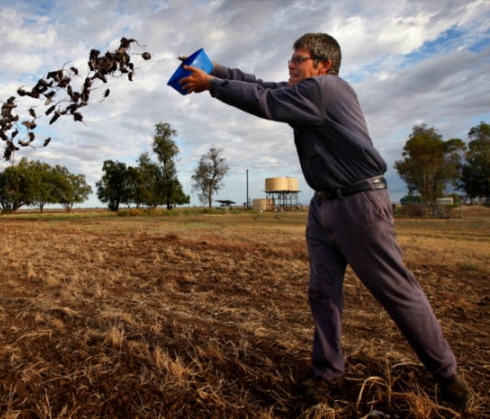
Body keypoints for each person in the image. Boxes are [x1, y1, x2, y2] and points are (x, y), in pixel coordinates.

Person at [180, 33, 471, 409]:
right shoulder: (304, 90)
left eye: (299, 58)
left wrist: (213, 85)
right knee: (323, 292)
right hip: (323, 206)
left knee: (396, 292)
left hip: (360, 205)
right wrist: (215, 68)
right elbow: (260, 85)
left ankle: (448, 374)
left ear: (323, 65)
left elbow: (263, 100)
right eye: (292, 57)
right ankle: (327, 370)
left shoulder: (325, 90)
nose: (290, 64)